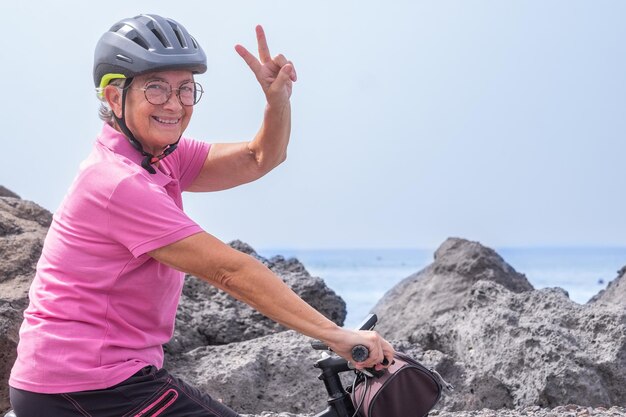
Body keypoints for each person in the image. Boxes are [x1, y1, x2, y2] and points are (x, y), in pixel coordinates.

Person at [8, 13, 395, 417]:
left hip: (91, 382)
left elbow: (259, 157)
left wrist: (277, 103)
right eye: (156, 89)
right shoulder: (116, 182)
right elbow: (230, 271)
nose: (174, 104)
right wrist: (335, 335)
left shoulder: (159, 159)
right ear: (113, 97)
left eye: (186, 89)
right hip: (87, 388)